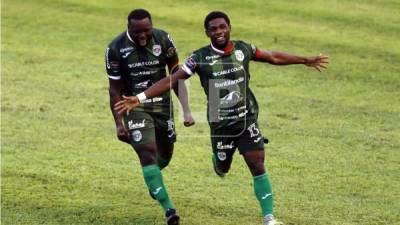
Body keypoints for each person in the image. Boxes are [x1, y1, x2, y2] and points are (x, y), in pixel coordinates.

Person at [114, 11, 328, 225]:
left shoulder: (244, 49)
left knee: (257, 163)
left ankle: (269, 218)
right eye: (213, 29)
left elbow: (272, 56)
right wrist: (140, 98)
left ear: (229, 28)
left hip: (246, 117)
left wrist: (304, 60)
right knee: (223, 168)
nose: (219, 32)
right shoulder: (199, 59)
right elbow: (173, 79)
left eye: (222, 27)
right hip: (221, 123)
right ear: (207, 32)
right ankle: (218, 159)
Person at [105, 9, 194, 225]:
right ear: (129, 28)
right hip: (133, 106)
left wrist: (186, 109)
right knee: (147, 153)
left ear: (152, 26)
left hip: (162, 106)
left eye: (146, 31)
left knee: (165, 154)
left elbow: (177, 76)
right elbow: (114, 89)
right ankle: (170, 210)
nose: (142, 36)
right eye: (137, 33)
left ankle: (153, 180)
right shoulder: (115, 48)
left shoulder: (163, 39)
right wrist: (118, 123)